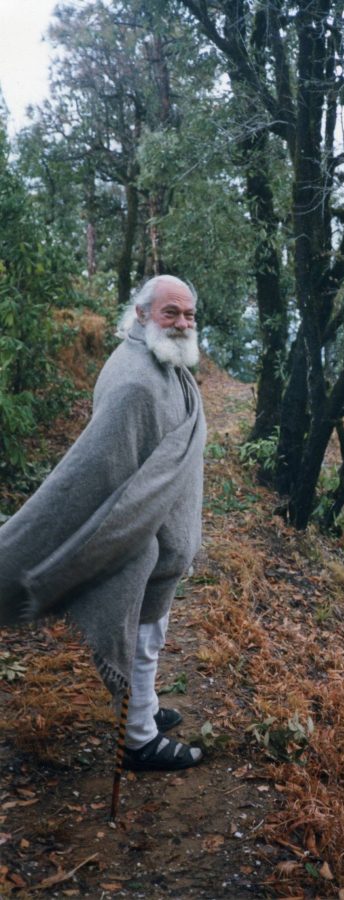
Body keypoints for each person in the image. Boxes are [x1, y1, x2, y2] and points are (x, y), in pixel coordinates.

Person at [0, 275, 207, 771]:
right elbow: (96, 473)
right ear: (141, 314)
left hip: (156, 540)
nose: (181, 324)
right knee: (137, 641)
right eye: (170, 313)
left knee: (150, 639)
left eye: (188, 315)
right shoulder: (135, 381)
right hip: (135, 542)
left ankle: (148, 712)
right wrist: (127, 532)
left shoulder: (165, 363)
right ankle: (138, 741)